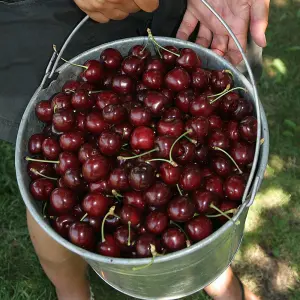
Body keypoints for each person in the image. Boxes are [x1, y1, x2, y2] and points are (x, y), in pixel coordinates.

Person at [1, 0, 269, 299]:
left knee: (202, 227)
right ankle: (71, 290)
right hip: (51, 15)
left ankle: (210, 266)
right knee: (54, 196)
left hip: (183, 12)